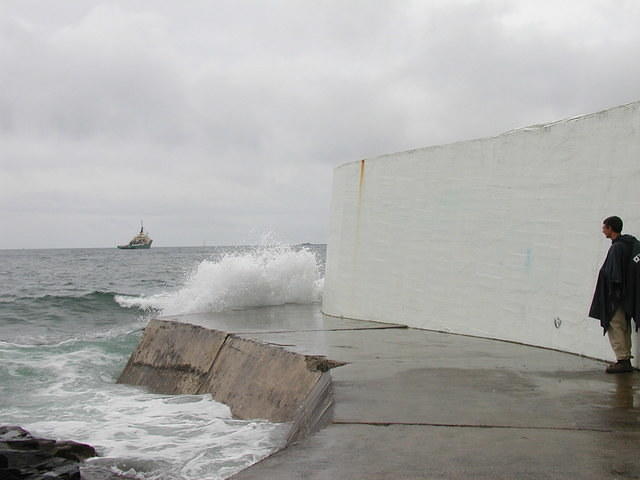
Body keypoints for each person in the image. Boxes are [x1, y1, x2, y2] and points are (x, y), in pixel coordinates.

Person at [589, 216, 640, 373]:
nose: (603, 230)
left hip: (616, 297)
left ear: (611, 229)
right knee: (624, 327)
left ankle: (623, 359)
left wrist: (613, 295)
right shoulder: (628, 245)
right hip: (627, 296)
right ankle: (626, 357)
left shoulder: (616, 248)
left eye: (605, 227)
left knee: (615, 326)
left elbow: (614, 274)